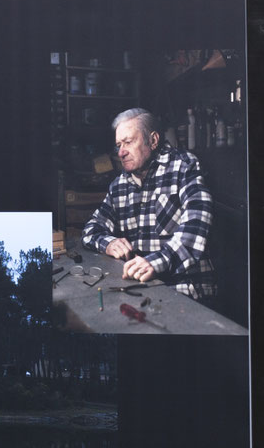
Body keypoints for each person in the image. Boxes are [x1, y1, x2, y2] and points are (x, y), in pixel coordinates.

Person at [81, 107, 218, 303]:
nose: (121, 152)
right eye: (118, 145)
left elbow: (196, 225)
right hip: (143, 288)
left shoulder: (184, 166)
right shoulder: (120, 184)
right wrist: (109, 243)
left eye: (128, 142)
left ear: (153, 140)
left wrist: (155, 262)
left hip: (187, 288)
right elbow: (90, 230)